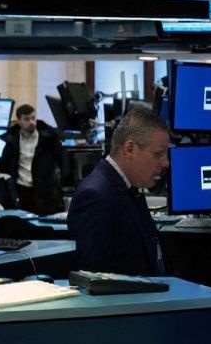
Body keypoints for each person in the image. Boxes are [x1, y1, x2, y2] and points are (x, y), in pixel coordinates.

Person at [67, 107, 170, 276]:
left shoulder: (128, 186)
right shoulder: (95, 197)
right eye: (158, 154)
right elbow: (95, 281)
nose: (166, 163)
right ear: (129, 149)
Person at [0, 103, 64, 215]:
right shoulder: (12, 141)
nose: (31, 122)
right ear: (19, 121)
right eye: (26, 119)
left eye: (33, 118)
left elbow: (62, 161)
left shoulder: (49, 140)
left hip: (45, 192)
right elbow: (4, 166)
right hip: (22, 191)